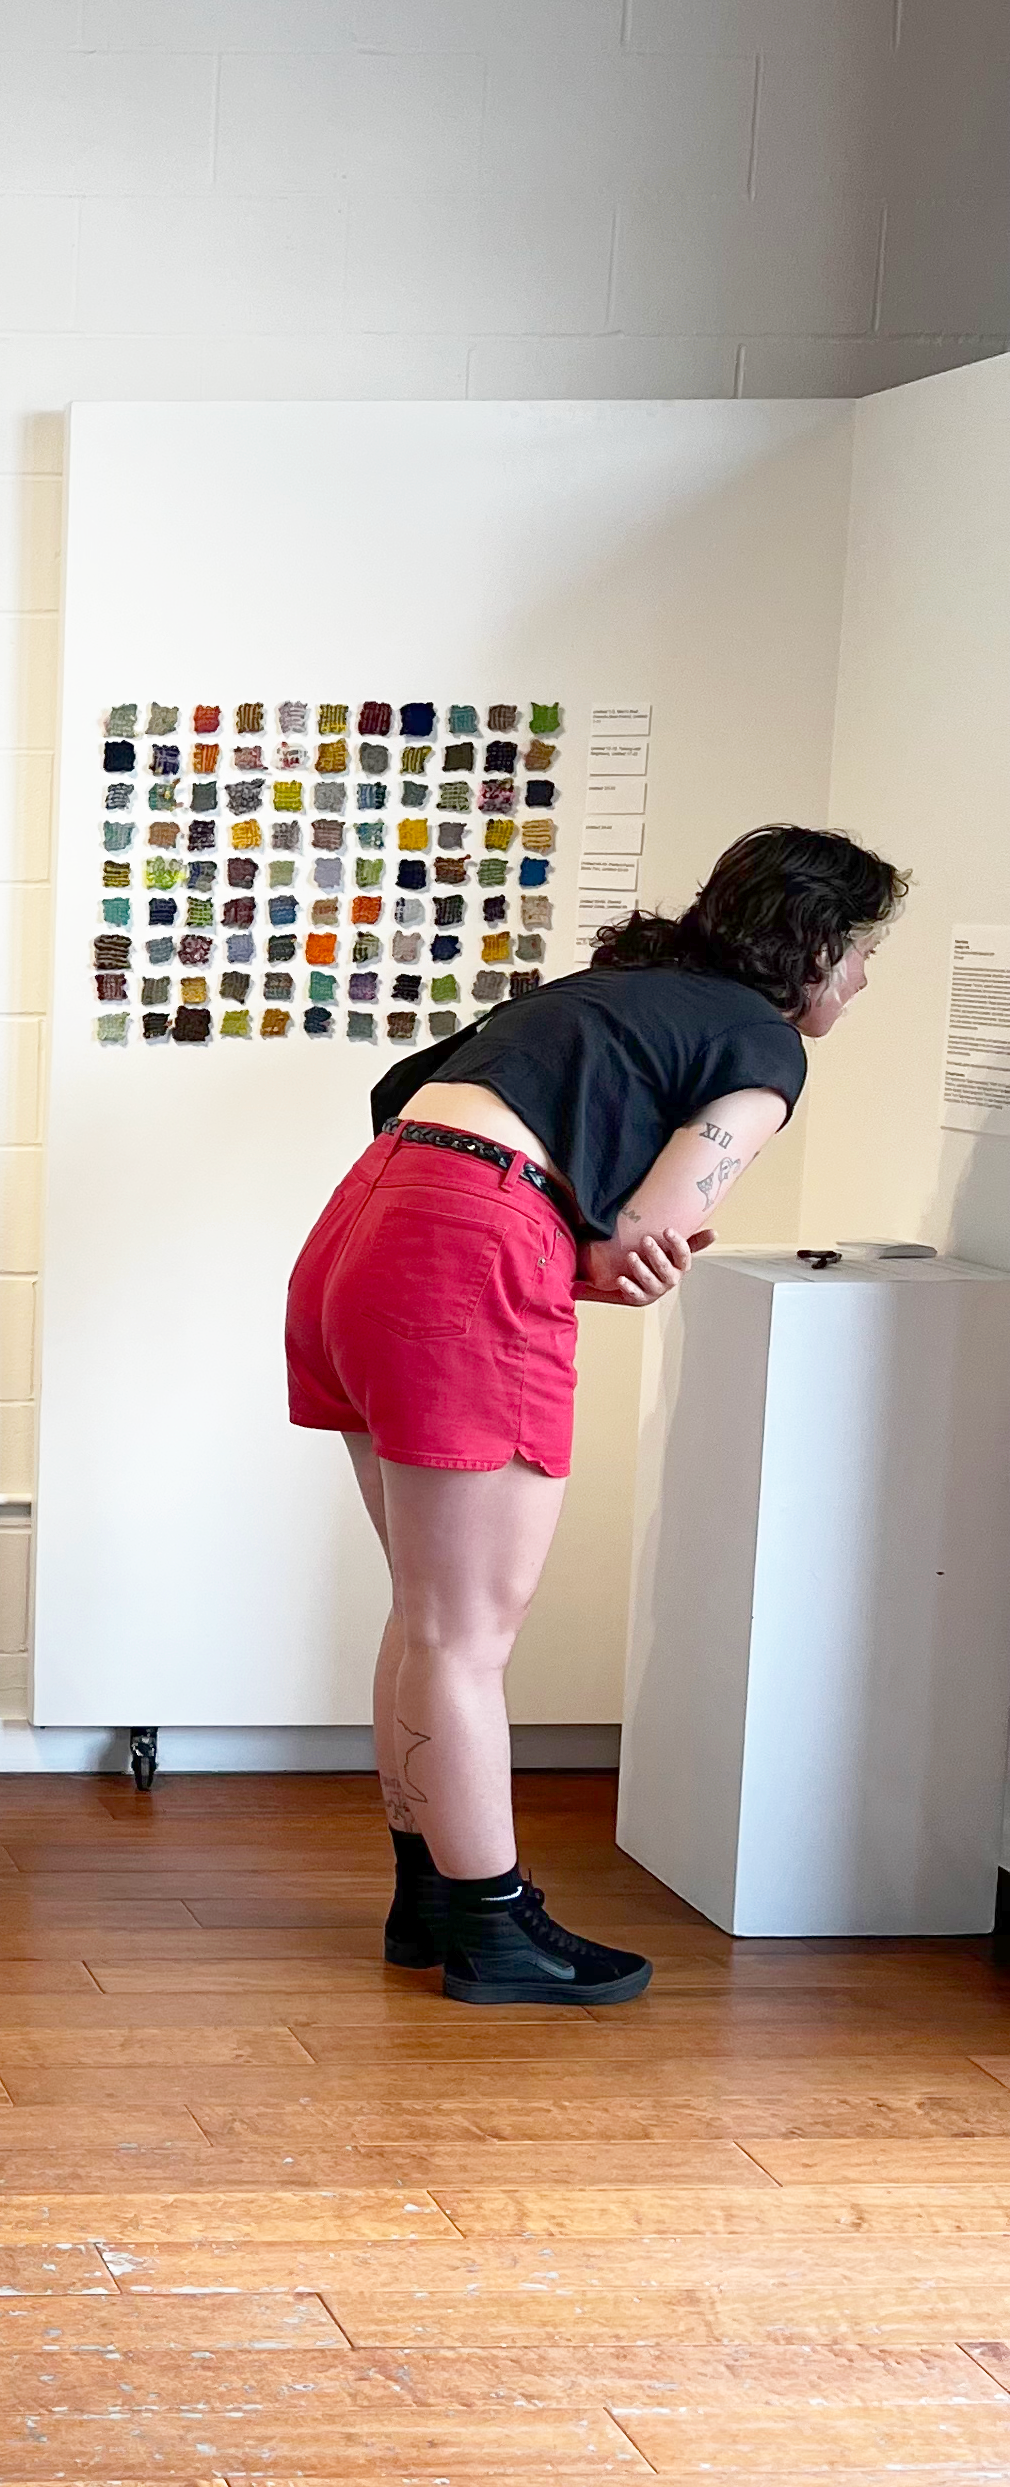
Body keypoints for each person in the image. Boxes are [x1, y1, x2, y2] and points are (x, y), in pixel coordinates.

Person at [284, 824, 905, 2006]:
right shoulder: (762, 1042)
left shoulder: (618, 993)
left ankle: (430, 1892)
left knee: (429, 1615)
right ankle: (496, 1925)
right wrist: (614, 1250)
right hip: (465, 1238)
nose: (865, 982)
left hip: (362, 1227)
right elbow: (636, 1240)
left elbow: (395, 1094)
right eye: (864, 953)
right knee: (466, 1634)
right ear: (817, 945)